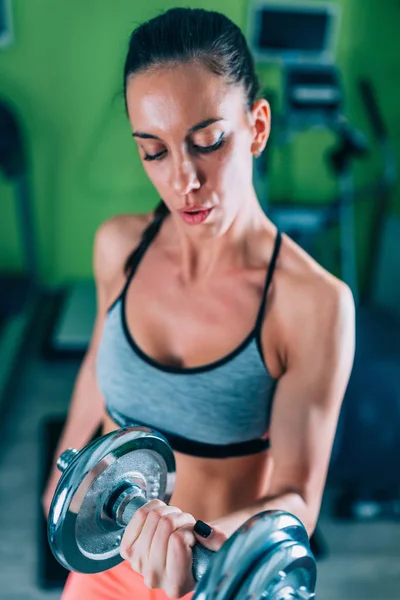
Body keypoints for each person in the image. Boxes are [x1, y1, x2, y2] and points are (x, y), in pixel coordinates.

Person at [42, 7, 355, 600]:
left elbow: (297, 499)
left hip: (216, 572)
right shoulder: (119, 247)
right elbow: (99, 365)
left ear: (258, 127)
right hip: (105, 559)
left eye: (208, 142)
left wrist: (199, 545)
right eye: (154, 152)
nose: (183, 179)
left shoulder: (314, 304)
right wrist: (65, 463)